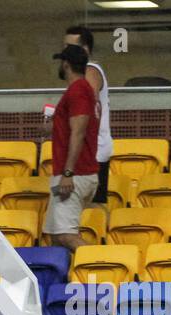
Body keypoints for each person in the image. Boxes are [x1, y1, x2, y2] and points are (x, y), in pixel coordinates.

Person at [45, 44, 100, 252]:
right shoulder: (81, 91)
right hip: (75, 173)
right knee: (56, 237)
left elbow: (78, 131)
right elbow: (73, 127)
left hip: (74, 174)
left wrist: (68, 173)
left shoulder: (78, 91)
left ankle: (100, 269)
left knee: (67, 236)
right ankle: (70, 281)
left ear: (66, 64)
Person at [65, 25, 113, 208]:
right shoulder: (79, 74)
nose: (65, 51)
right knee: (86, 207)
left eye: (70, 46)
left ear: (84, 49)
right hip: (89, 148)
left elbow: (87, 104)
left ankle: (101, 235)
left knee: (91, 208)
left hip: (94, 150)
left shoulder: (90, 71)